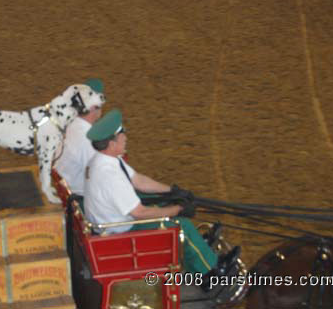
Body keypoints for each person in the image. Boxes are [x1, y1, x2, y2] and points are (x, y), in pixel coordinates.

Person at [83, 109, 240, 286]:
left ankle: (197, 250)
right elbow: (139, 213)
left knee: (166, 204)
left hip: (112, 223)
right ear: (111, 143)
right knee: (182, 225)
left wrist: (171, 191)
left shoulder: (105, 160)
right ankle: (211, 273)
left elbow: (138, 180)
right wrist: (178, 209)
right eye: (122, 134)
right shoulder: (109, 175)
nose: (125, 137)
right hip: (121, 232)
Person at [54, 78, 105, 195]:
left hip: (62, 181)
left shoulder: (69, 122)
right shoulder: (89, 138)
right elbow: (101, 177)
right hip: (76, 194)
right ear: (93, 107)